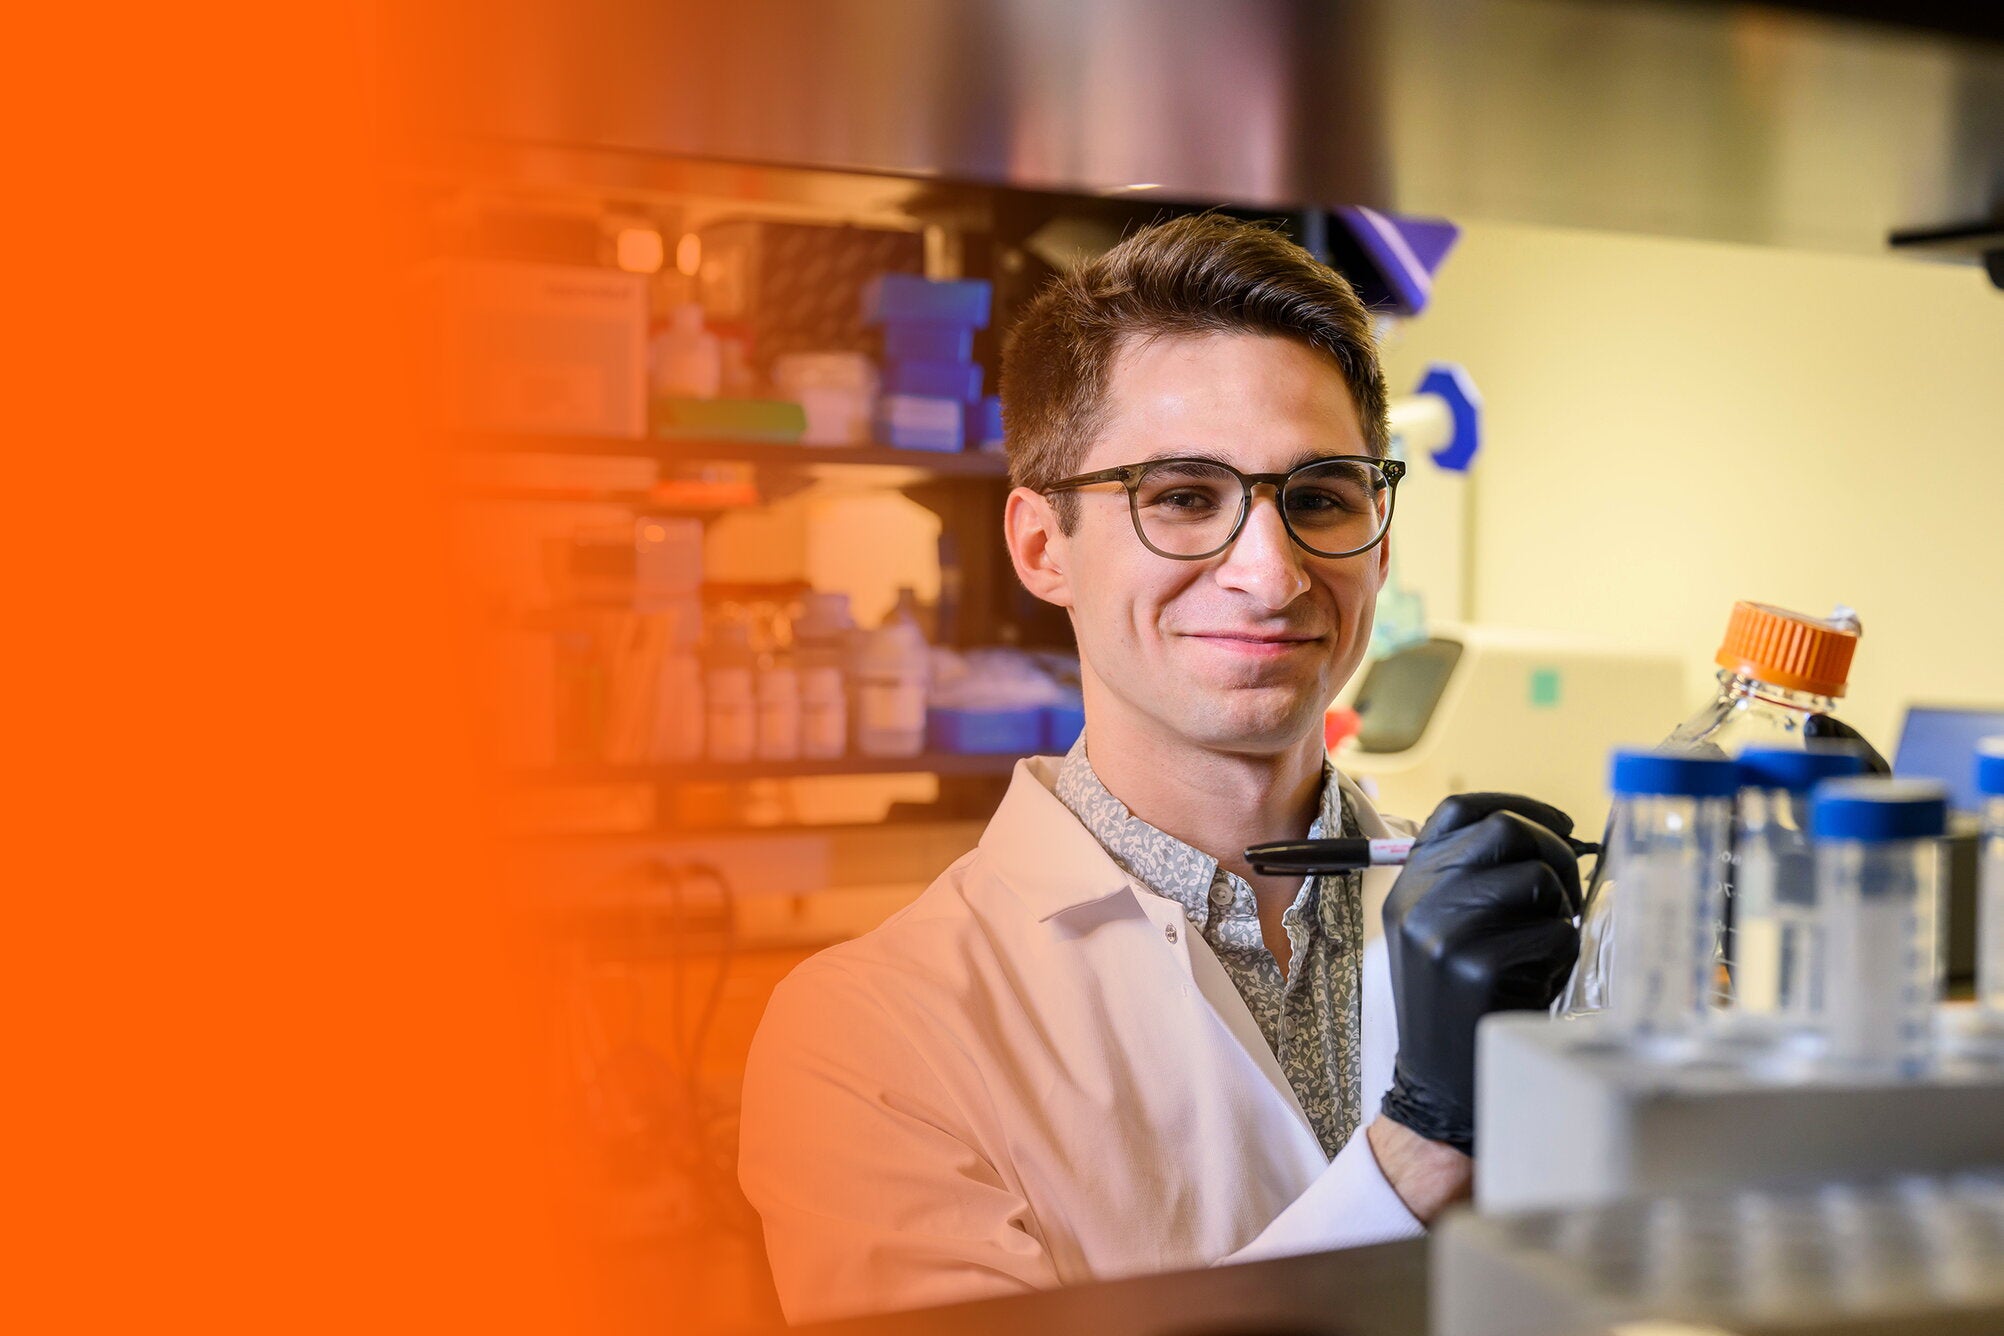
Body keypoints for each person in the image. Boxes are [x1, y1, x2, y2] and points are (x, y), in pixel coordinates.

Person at [738, 215, 1582, 1324]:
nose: (1270, 571)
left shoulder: (1500, 935)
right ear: (1043, 547)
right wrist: (1412, 1162)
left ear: (1379, 540)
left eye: (1321, 496)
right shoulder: (868, 1040)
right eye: (1183, 497)